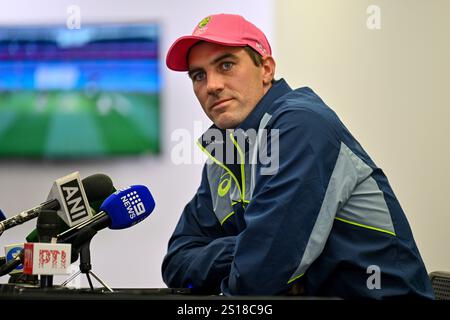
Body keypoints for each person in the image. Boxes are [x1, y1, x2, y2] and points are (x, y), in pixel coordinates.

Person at [161, 13, 434, 299]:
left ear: (266, 69)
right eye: (198, 75)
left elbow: (259, 279)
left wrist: (255, 254)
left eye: (226, 65)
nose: (211, 86)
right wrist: (246, 248)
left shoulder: (300, 124)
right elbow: (177, 261)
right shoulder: (226, 146)